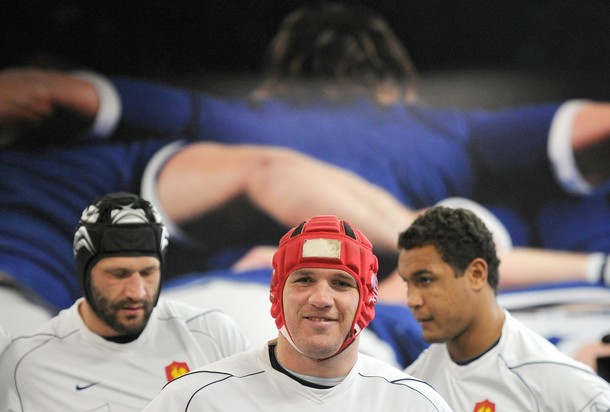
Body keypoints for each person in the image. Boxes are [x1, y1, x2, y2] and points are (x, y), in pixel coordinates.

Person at [1, 2, 609, 356]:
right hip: (369, 333)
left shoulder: (226, 121)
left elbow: (44, 94)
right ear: (394, 85)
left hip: (219, 309)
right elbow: (592, 124)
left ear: (272, 82)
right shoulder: (455, 133)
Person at [141, 215, 453, 411]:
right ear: (275, 292)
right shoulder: (193, 400)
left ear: (369, 300)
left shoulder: (415, 404)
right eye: (304, 280)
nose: (321, 298)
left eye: (341, 283)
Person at [0, 192, 249, 412]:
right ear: (85, 272)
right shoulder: (27, 365)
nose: (137, 292)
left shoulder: (212, 335)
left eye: (148, 272)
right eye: (119, 274)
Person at [398, 206, 610, 410]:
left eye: (425, 280)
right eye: (408, 283)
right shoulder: (411, 387)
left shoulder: (560, 386)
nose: (412, 300)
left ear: (476, 275)